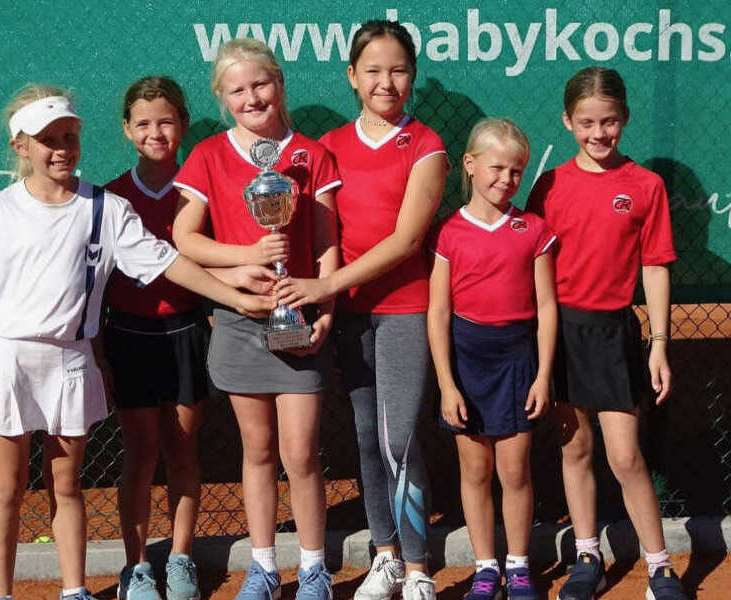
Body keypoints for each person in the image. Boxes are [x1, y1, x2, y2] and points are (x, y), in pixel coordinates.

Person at [0, 84, 272, 600]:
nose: (62, 149)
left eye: (69, 137)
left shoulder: (106, 208)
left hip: (70, 360)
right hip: (8, 361)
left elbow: (168, 263)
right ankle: (1, 594)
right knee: (7, 488)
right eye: (48, 140)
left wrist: (236, 296)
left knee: (66, 484)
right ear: (21, 147)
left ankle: (75, 590)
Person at [274, 20, 448, 600]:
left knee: (399, 440)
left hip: (404, 309)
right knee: (367, 438)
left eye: (398, 70)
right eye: (373, 70)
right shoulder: (328, 146)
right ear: (352, 76)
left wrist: (325, 286)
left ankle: (419, 567)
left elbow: (406, 241)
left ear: (413, 75)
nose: (385, 82)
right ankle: (386, 556)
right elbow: (318, 234)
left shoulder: (426, 145)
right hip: (348, 316)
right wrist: (322, 297)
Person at [171, 39, 341, 600]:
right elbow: (184, 238)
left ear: (280, 84)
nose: (251, 97)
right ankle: (264, 567)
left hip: (300, 319)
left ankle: (313, 568)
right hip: (239, 320)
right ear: (223, 98)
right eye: (237, 90)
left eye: (260, 84)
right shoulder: (208, 155)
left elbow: (326, 243)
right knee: (259, 449)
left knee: (301, 452)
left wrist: (326, 307)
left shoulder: (312, 155)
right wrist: (244, 259)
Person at [99, 76, 277, 600]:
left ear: (183, 124)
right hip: (128, 336)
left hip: (185, 333)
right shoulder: (110, 197)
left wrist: (231, 284)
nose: (155, 133)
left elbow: (207, 261)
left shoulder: (198, 191)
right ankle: (136, 567)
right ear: (126, 129)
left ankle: (180, 558)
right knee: (140, 453)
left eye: (166, 122)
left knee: (181, 449)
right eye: (143, 123)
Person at [526, 66, 687, 600]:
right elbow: (532, 261)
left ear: (625, 118)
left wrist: (659, 344)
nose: (599, 134)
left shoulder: (646, 185)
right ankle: (587, 557)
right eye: (587, 123)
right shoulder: (549, 185)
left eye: (610, 122)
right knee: (574, 450)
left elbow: (655, 266)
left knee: (625, 457)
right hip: (560, 331)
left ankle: (659, 567)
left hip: (614, 334)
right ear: (567, 121)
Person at [427, 118, 556, 600]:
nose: (506, 179)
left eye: (516, 171)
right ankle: (485, 568)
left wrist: (542, 376)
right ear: (470, 164)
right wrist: (447, 384)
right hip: (465, 359)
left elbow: (547, 307)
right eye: (497, 168)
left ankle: (518, 567)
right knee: (476, 471)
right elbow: (439, 312)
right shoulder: (448, 232)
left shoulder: (533, 229)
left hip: (517, 357)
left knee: (515, 471)